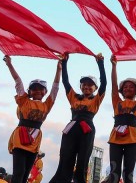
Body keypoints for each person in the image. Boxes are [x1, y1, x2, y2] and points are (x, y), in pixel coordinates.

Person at [50, 53, 106, 183]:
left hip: (87, 129)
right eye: (84, 84)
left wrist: (100, 64)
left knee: (83, 159)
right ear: (80, 86)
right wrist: (64, 63)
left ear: (95, 88)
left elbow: (104, 83)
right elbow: (65, 81)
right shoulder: (74, 97)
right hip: (72, 128)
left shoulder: (96, 99)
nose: (86, 87)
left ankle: (79, 180)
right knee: (66, 157)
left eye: (90, 85)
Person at [4, 55, 61, 183]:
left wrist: (59, 69)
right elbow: (18, 82)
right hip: (21, 136)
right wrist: (9, 64)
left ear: (45, 91)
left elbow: (56, 87)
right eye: (34, 88)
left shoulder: (47, 104)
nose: (37, 91)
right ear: (29, 91)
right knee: (18, 172)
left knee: (25, 174)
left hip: (35, 139)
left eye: (41, 89)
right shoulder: (24, 101)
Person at [108, 55, 136, 183]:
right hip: (116, 138)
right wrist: (114, 66)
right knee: (114, 171)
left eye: (131, 87)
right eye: (125, 86)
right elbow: (114, 85)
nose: (128, 88)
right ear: (122, 90)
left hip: (132, 138)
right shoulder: (117, 101)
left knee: (128, 172)